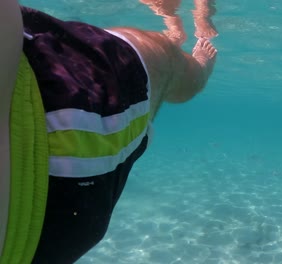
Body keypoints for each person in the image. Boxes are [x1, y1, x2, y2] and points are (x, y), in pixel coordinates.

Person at [0, 0, 217, 263]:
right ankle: (182, 45)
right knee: (166, 58)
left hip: (36, 222)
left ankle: (173, 35)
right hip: (52, 134)